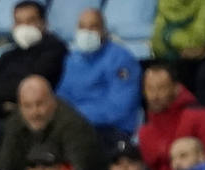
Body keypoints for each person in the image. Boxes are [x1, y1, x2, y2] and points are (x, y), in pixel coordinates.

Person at [0, 75, 104, 170]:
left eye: (40, 104)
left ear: (52, 101)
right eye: (27, 106)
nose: (34, 112)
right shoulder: (15, 123)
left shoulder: (74, 126)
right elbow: (4, 169)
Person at [57, 8, 142, 139]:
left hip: (111, 129)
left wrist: (75, 116)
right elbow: (62, 97)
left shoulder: (121, 59)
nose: (86, 32)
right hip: (75, 126)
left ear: (104, 30)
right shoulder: (71, 59)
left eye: (93, 27)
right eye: (82, 27)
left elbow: (119, 108)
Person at [0, 2, 67, 121]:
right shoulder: (7, 55)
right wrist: (9, 106)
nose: (24, 27)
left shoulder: (55, 50)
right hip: (1, 122)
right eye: (19, 22)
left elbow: (30, 89)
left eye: (30, 21)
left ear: (44, 23)